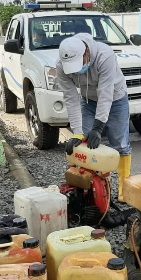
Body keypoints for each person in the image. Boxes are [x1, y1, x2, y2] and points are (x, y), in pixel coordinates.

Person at [56, 33, 132, 201]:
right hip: (88, 101)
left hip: (116, 99)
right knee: (84, 142)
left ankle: (124, 189)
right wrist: (77, 132)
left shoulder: (105, 55)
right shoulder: (61, 66)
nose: (76, 70)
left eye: (78, 64)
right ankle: (92, 188)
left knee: (120, 144)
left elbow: (106, 93)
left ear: (87, 53)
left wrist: (98, 127)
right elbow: (71, 99)